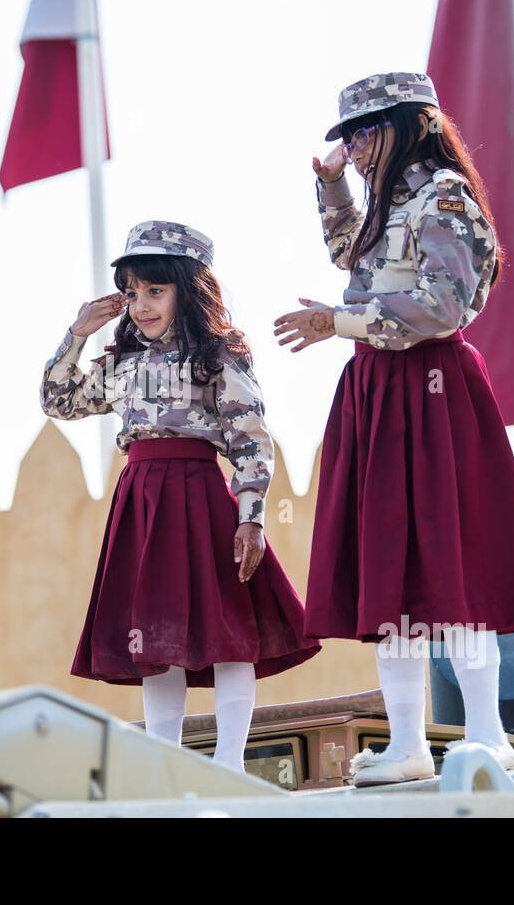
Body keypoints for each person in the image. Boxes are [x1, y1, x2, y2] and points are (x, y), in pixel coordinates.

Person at [273, 72, 514, 786]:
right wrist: (330, 186)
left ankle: (489, 733)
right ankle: (407, 743)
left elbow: (441, 306)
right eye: (349, 138)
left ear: (405, 126)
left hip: (433, 394)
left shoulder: (444, 197)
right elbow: (347, 256)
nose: (357, 150)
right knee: (386, 572)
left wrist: (337, 322)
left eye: (365, 134)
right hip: (379, 392)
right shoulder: (383, 202)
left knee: (455, 568)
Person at [41, 220, 321, 772]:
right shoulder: (120, 360)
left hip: (201, 497)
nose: (141, 306)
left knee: (230, 627)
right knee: (155, 634)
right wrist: (77, 334)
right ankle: (168, 766)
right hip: (140, 502)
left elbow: (251, 438)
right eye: (132, 293)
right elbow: (58, 400)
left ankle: (230, 763)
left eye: (155, 291)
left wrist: (252, 518)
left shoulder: (220, 353)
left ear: (186, 289)